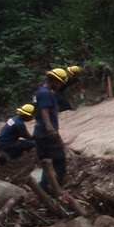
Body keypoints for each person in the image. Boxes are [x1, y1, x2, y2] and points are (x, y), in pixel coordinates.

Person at [33, 67, 69, 195]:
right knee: (60, 160)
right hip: (45, 132)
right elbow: (44, 110)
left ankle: (44, 189)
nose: (60, 86)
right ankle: (56, 190)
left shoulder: (41, 92)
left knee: (47, 162)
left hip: (39, 130)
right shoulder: (46, 93)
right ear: (53, 80)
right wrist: (50, 128)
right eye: (59, 83)